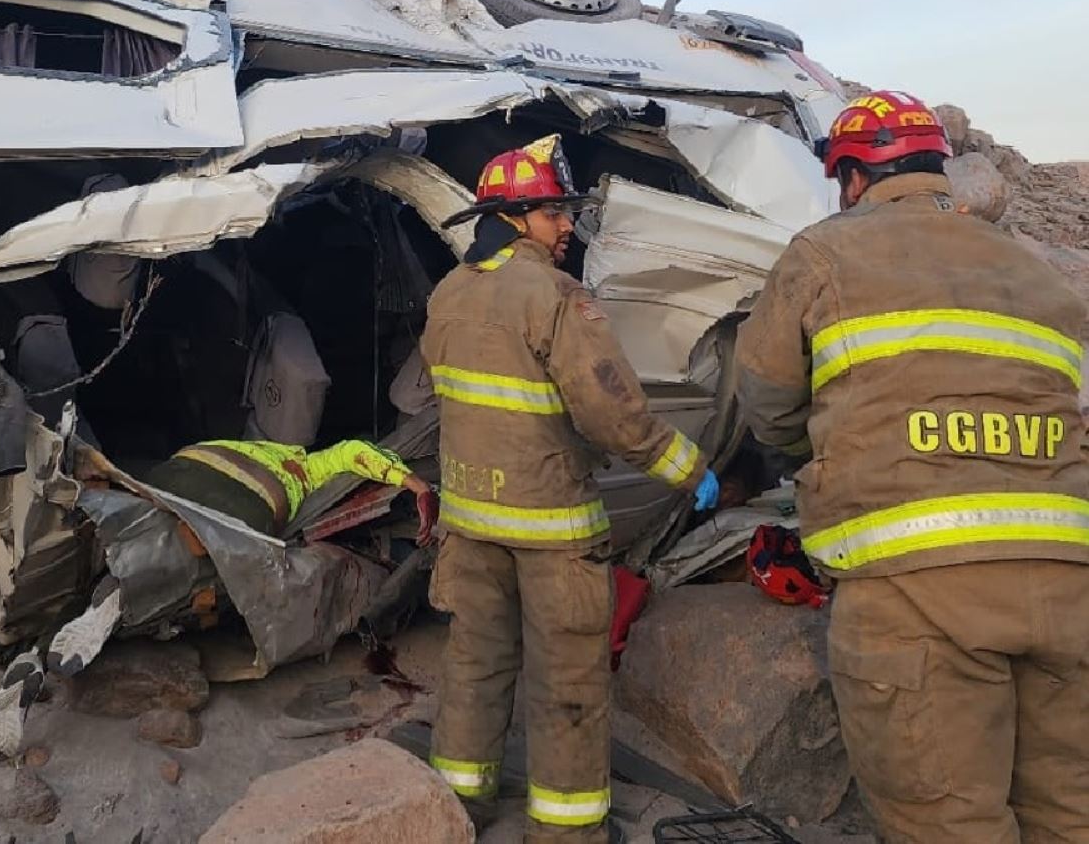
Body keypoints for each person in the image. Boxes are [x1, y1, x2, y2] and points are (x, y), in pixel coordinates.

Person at [736, 90, 1089, 844]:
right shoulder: (1033, 270)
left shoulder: (824, 252)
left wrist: (823, 451)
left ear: (853, 178)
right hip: (1069, 582)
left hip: (917, 587)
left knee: (948, 823)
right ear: (940, 171)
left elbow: (766, 399)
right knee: (1070, 815)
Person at [422, 134, 717, 841]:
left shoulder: (449, 293)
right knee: (568, 684)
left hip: (471, 523)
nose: (567, 229)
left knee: (474, 667)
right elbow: (611, 410)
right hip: (551, 529)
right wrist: (691, 471)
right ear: (516, 218)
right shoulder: (555, 295)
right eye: (555, 214)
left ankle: (454, 809)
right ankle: (567, 830)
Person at [144, 435, 438, 541]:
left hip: (191, 461)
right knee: (199, 541)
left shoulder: (256, 443)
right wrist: (418, 485)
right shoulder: (312, 467)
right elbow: (354, 452)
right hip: (255, 498)